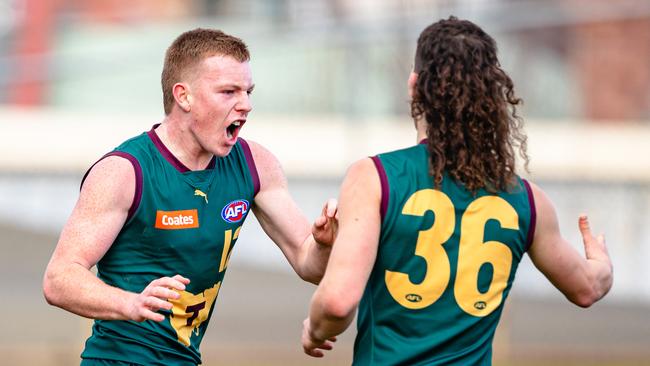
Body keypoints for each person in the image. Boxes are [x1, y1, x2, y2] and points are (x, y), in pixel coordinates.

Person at [301, 16, 613, 365]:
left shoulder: (374, 178)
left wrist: (315, 330)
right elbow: (588, 288)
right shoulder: (528, 201)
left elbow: (337, 302)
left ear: (414, 86)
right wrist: (600, 262)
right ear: (491, 95)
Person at [43, 28, 337, 365]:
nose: (246, 105)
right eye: (228, 92)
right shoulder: (124, 172)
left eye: (248, 91)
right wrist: (131, 303)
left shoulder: (257, 164)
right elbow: (59, 278)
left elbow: (308, 262)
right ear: (184, 96)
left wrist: (324, 244)